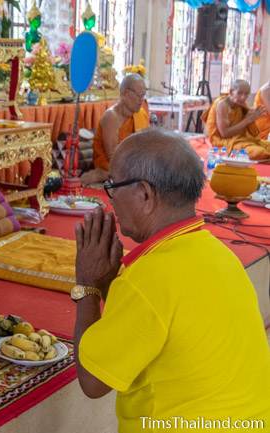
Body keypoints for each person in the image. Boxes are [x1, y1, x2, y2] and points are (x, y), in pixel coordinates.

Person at [72, 128, 270, 432]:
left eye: (112, 186)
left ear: (145, 194)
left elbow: (92, 380)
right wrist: (108, 283)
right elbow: (150, 325)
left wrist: (86, 286)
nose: (109, 198)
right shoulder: (220, 254)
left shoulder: (148, 277)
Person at [82, 74, 150, 185]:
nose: (141, 100)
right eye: (139, 95)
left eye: (143, 96)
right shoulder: (111, 117)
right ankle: (104, 175)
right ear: (126, 94)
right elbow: (113, 156)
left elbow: (146, 146)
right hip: (111, 164)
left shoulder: (141, 114)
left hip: (133, 163)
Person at [202, 79, 270, 160]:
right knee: (259, 152)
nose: (243, 97)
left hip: (240, 139)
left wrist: (251, 118)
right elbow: (224, 134)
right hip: (224, 142)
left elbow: (251, 132)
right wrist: (247, 120)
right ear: (231, 92)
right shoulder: (222, 105)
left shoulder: (240, 104)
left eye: (246, 94)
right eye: (240, 93)